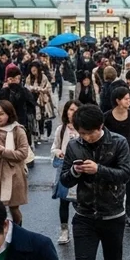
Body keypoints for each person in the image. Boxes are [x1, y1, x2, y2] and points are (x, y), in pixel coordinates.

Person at [59, 103, 130, 260]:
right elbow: (64, 180)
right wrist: (74, 171)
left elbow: (125, 174)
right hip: (84, 215)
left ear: (100, 126)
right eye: (81, 133)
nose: (86, 137)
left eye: (89, 133)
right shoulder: (74, 145)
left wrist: (99, 169)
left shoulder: (118, 142)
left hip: (112, 215)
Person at [103, 86, 130, 224]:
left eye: (129, 98)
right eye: (125, 99)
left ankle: (129, 213)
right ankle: (114, 209)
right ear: (118, 100)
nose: (128, 101)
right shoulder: (107, 116)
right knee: (113, 182)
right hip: (113, 153)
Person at [51, 100, 80, 245]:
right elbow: (54, 147)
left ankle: (80, 229)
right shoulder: (61, 129)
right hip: (64, 166)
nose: (72, 112)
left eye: (75, 110)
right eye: (70, 110)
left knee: (79, 200)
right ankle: (64, 230)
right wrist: (58, 152)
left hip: (80, 168)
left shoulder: (83, 128)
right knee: (64, 200)